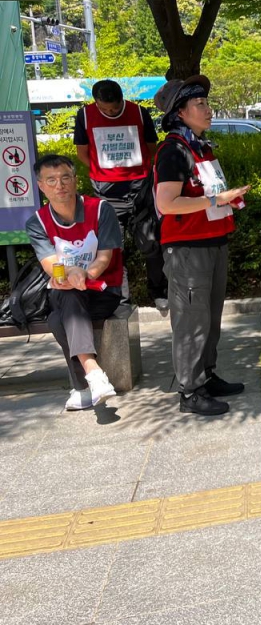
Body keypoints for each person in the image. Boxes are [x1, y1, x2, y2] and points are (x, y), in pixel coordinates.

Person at [153, 75, 250, 416]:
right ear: (179, 113)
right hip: (187, 248)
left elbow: (207, 194)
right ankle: (190, 391)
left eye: (207, 103)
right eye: (200, 104)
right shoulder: (173, 150)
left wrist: (226, 199)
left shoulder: (201, 147)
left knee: (209, 317)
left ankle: (206, 376)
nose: (208, 109)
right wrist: (216, 199)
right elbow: (167, 203)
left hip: (212, 241)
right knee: (192, 321)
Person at [25, 154, 120, 411]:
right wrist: (70, 273)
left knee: (57, 320)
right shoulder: (37, 222)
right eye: (51, 180)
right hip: (65, 291)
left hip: (103, 291)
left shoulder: (100, 210)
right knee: (67, 295)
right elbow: (50, 263)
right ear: (41, 186)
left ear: (75, 180)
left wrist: (85, 274)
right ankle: (94, 374)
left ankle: (82, 388)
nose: (60, 185)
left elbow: (104, 258)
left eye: (65, 177)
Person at [73, 79, 167, 308]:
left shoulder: (139, 112)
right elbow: (82, 152)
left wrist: (140, 173)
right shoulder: (85, 115)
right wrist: (100, 172)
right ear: (96, 102)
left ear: (122, 99)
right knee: (114, 247)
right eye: (105, 109)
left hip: (139, 188)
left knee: (151, 241)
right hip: (105, 190)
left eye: (114, 108)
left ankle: (159, 292)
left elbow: (151, 147)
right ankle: (121, 298)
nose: (111, 113)